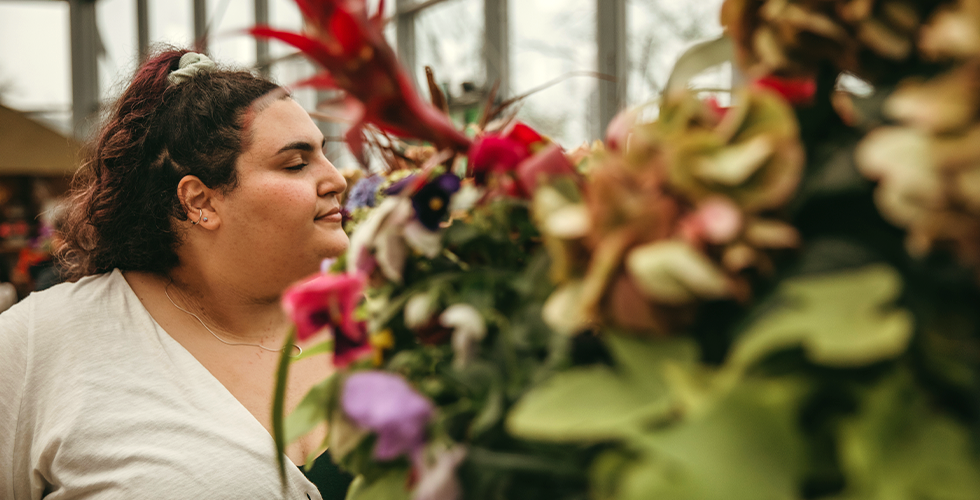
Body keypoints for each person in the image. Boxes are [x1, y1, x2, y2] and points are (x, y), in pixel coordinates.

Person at [0, 49, 353, 499]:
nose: (337, 179)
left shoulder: (385, 318)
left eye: (325, 153)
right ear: (200, 202)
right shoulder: (42, 343)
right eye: (296, 163)